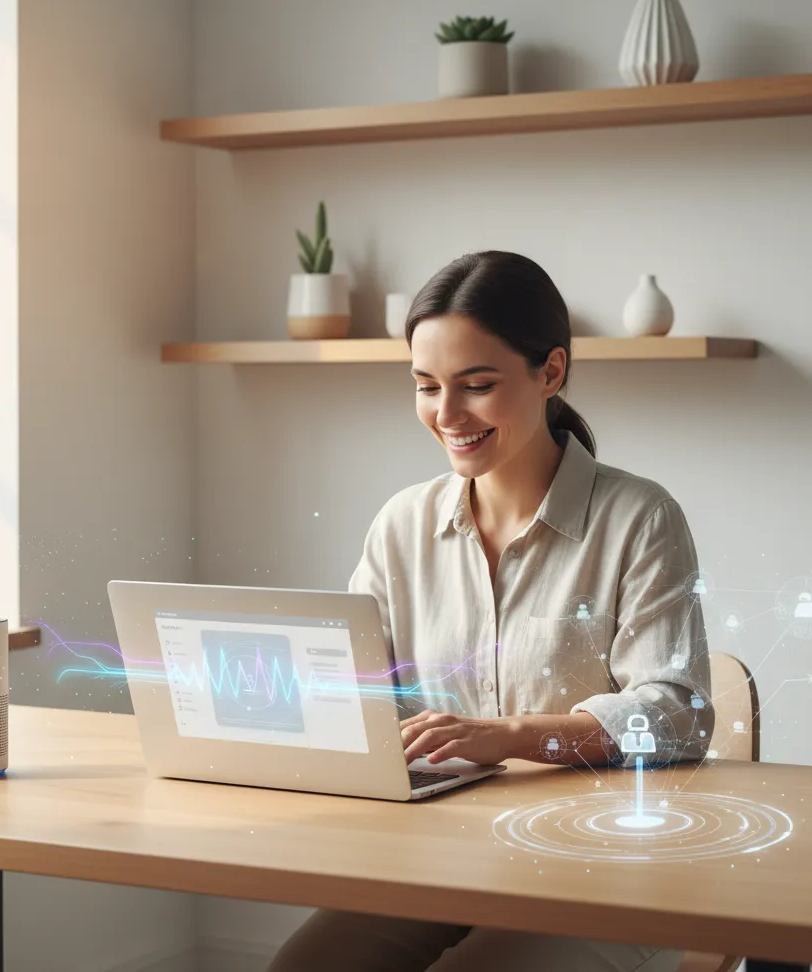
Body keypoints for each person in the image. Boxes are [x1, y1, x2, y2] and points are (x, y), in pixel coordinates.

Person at [267, 250, 714, 972]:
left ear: (552, 372)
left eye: (476, 386)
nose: (447, 416)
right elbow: (356, 690)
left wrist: (503, 735)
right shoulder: (401, 525)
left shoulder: (639, 517)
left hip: (606, 868)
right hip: (439, 857)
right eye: (426, 386)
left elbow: (680, 712)